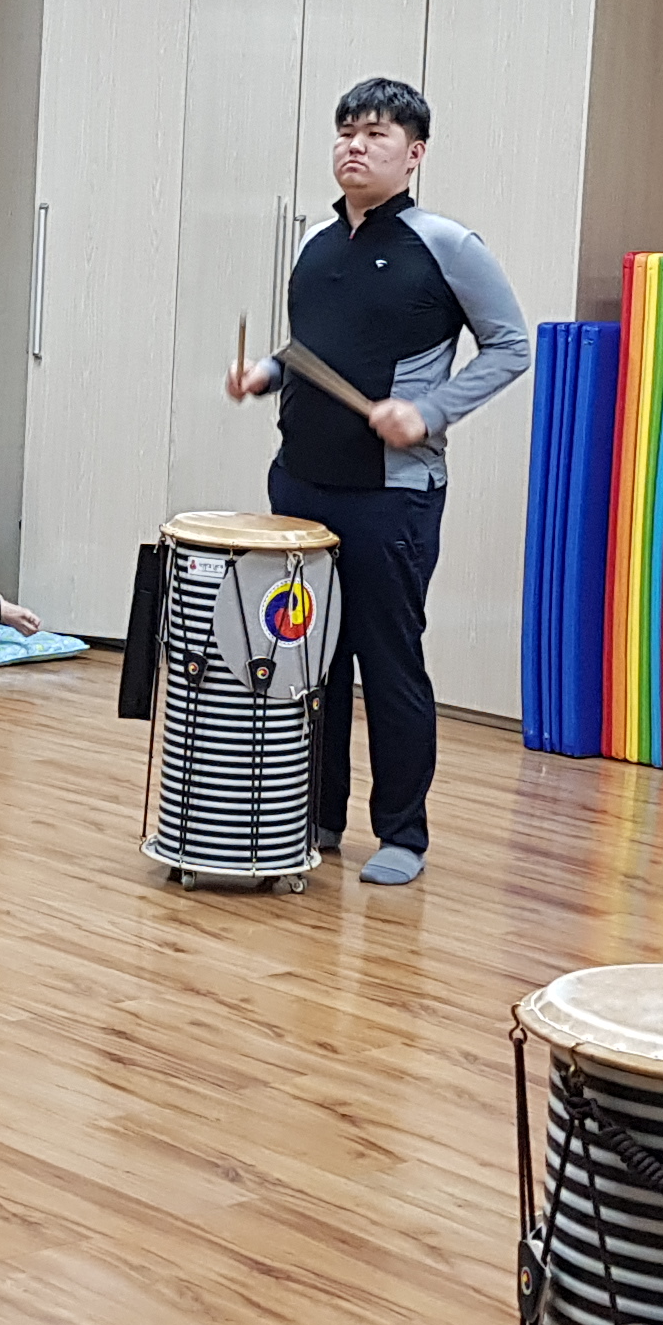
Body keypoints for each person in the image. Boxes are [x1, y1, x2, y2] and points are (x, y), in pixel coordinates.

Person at [218, 76, 530, 884]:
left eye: (377, 134)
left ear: (414, 153)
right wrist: (264, 374)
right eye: (346, 131)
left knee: (388, 663)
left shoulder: (447, 244)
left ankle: (402, 834)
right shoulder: (317, 246)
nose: (355, 146)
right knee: (309, 661)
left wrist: (429, 412)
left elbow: (510, 346)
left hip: (392, 495)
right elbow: (308, 351)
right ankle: (316, 818)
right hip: (299, 486)